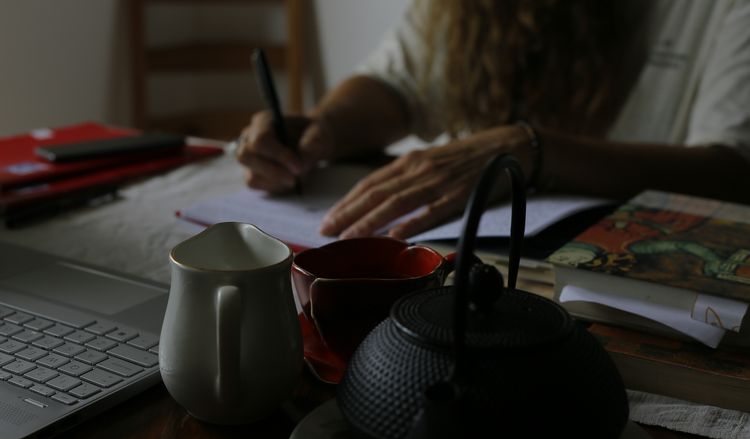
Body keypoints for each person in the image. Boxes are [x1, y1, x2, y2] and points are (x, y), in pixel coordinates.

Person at [236, 0, 750, 241]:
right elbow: (394, 84)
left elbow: (733, 171)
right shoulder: (471, 10)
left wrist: (531, 150)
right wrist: (326, 127)